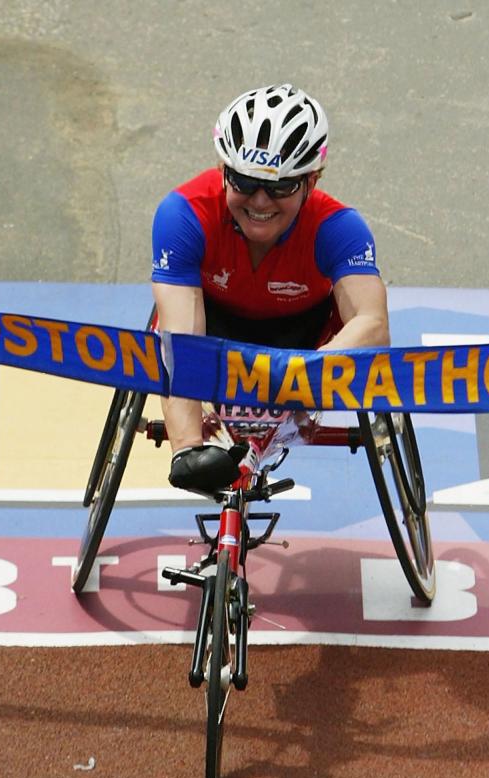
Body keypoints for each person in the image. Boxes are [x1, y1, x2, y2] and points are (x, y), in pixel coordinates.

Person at [151, 83, 390, 493]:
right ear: (225, 169)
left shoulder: (338, 228)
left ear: (311, 181)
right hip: (213, 330)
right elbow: (180, 336)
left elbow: (372, 324)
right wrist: (188, 449)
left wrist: (297, 378)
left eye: (280, 188)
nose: (260, 202)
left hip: (301, 343)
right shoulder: (183, 213)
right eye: (244, 181)